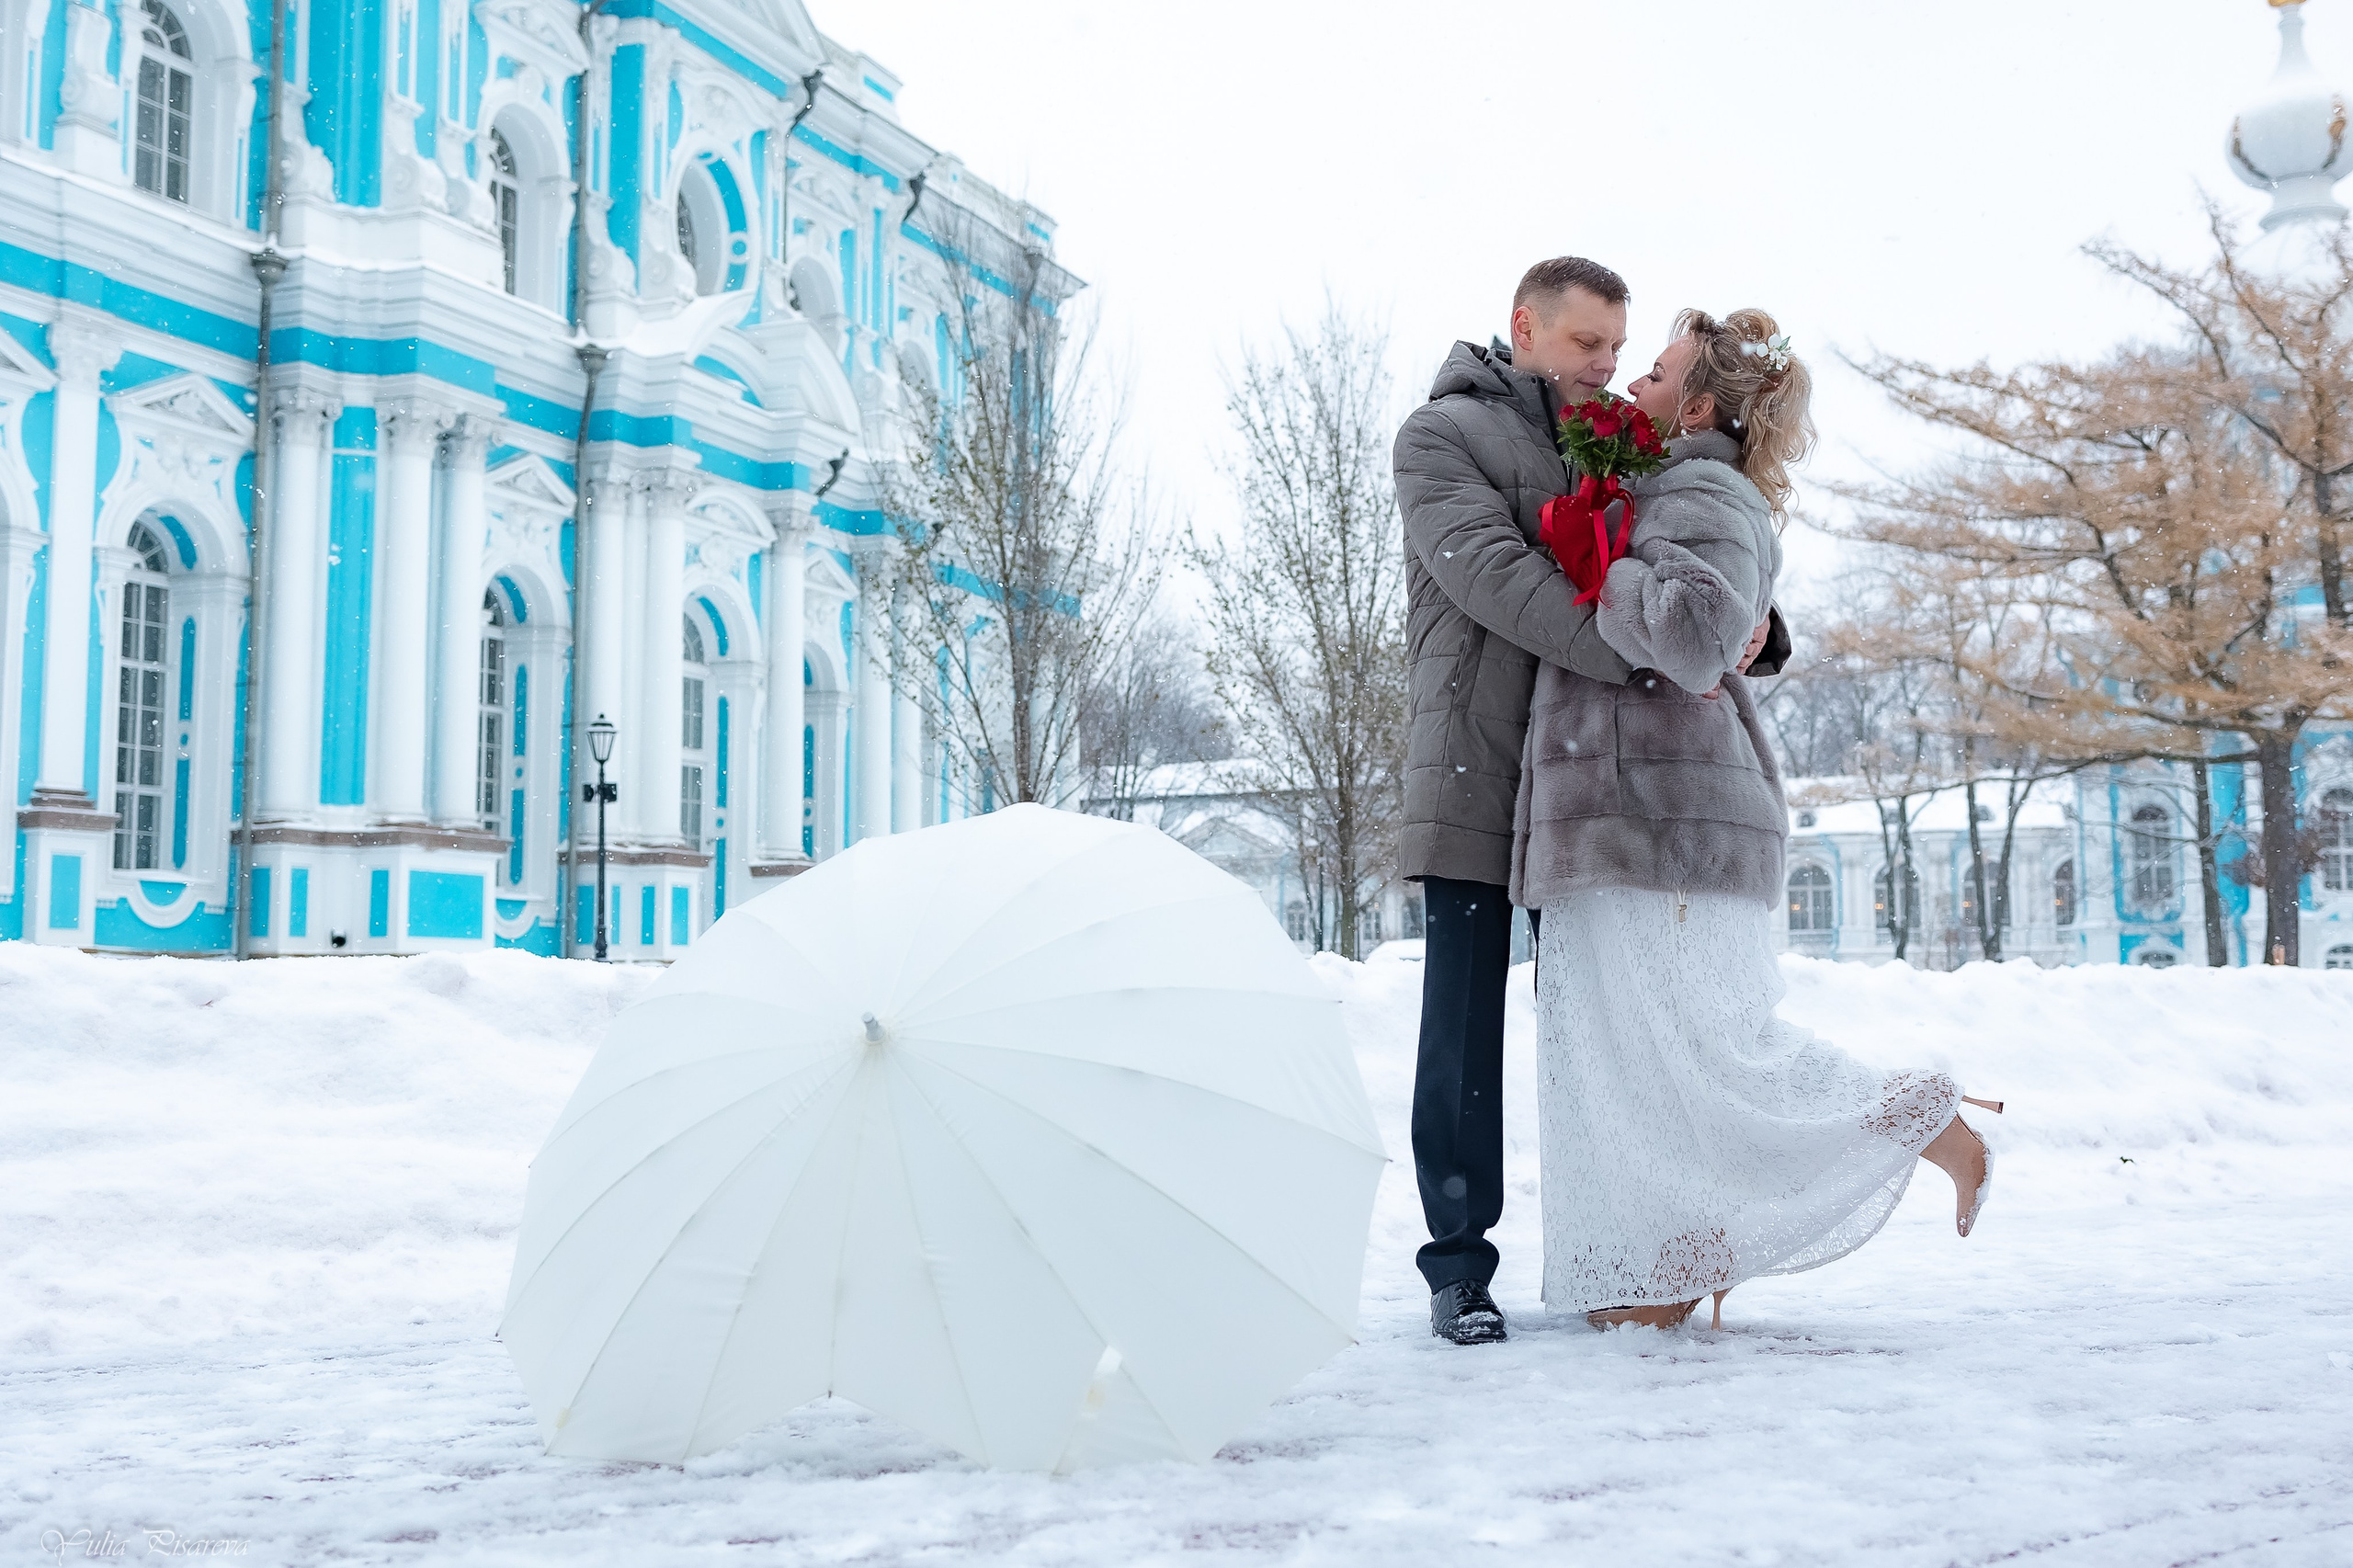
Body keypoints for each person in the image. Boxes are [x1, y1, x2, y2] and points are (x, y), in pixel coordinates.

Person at [1509, 308, 2001, 1331]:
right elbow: (1721, 624)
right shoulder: (1668, 489)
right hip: (1627, 812)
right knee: (1636, 1057)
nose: (1631, 383)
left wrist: (1604, 560)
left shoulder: (1702, 494)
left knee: (1710, 1050)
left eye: (1655, 373)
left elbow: (1693, 639)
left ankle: (1921, 1118)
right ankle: (1674, 1258)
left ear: (1696, 408)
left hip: (1664, 819)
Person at [1392, 258, 1787, 1346]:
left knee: (1605, 1025)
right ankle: (1458, 1268)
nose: (1608, 366)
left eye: (1619, 347)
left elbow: (1699, 547)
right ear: (1524, 328)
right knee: (1462, 1030)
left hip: (1590, 777)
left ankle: (1643, 1246)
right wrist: (1657, 657)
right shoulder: (1440, 437)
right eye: (1586, 345)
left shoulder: (1614, 434)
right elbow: (1497, 578)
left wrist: (1754, 630)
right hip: (1479, 760)